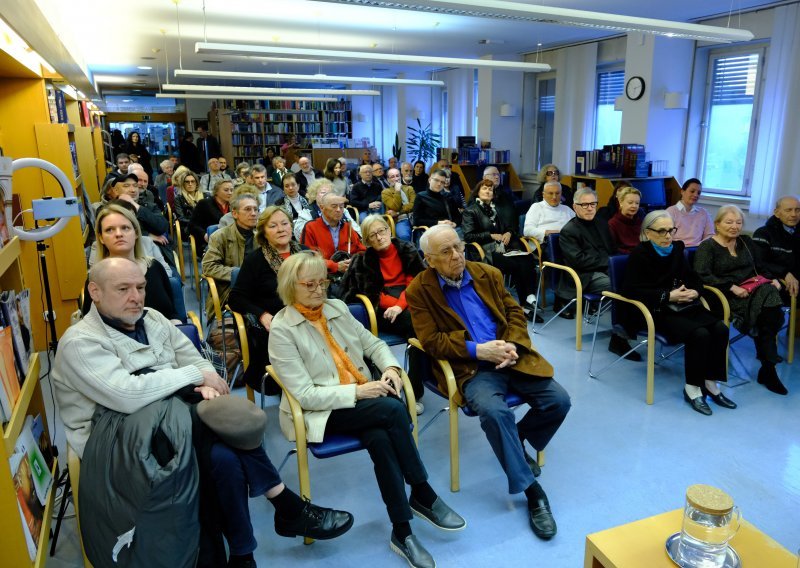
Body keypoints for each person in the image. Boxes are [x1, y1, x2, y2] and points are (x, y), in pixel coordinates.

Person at [55, 258, 354, 568]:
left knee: (223, 458)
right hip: (115, 448)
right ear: (95, 291)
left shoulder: (153, 319)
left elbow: (197, 361)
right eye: (123, 289)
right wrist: (192, 380)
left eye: (141, 287)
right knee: (211, 425)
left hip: (170, 429)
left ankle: (243, 555)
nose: (136, 296)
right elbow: (128, 395)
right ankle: (285, 506)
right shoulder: (80, 342)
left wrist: (201, 379)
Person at [269, 251, 465, 568]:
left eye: (324, 282)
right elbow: (305, 395)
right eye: (310, 284)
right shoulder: (282, 329)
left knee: (381, 436)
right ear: (291, 287)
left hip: (363, 403)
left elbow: (373, 344)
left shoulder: (336, 308)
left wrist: (390, 369)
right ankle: (422, 491)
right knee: (390, 410)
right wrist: (359, 391)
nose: (320, 290)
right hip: (320, 412)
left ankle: (402, 531)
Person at [405, 225, 570, 541]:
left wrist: (512, 346)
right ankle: (533, 493)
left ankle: (516, 441)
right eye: (446, 252)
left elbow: (515, 314)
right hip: (471, 368)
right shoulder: (419, 291)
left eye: (459, 246)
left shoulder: (487, 274)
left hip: (510, 356)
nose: (457, 256)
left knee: (559, 401)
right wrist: (478, 349)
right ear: (429, 260)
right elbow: (431, 341)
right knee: (495, 413)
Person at [622, 211, 733, 415]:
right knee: (700, 335)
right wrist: (667, 296)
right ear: (648, 232)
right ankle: (691, 388)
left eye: (671, 230)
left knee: (721, 328)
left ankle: (710, 382)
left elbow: (693, 278)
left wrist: (695, 290)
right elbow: (632, 291)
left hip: (684, 306)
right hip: (656, 311)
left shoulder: (676, 250)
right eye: (661, 231)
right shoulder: (639, 255)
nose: (668, 236)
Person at [694, 205, 788, 395]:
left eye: (738, 222)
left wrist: (773, 279)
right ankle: (768, 368)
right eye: (729, 222)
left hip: (753, 291)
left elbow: (760, 267)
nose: (734, 226)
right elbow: (701, 275)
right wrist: (730, 286)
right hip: (724, 296)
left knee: (769, 295)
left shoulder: (745, 242)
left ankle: (768, 367)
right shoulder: (707, 246)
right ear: (717, 224)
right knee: (770, 311)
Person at [229, 206, 304, 392]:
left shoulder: (306, 254)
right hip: (277, 326)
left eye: (285, 223)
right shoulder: (255, 260)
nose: (281, 229)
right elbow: (236, 297)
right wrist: (262, 315)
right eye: (273, 226)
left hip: (308, 318)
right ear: (263, 232)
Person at [558, 188, 639, 359]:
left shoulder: (602, 223)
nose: (589, 208)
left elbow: (612, 249)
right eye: (584, 204)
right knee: (623, 289)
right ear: (574, 206)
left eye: (593, 204)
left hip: (605, 269)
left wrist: (614, 263)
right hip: (584, 276)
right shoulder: (569, 230)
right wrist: (609, 263)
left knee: (637, 283)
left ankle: (630, 330)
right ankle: (618, 340)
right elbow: (580, 261)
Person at [84, 203, 179, 321]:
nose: (118, 234)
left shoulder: (154, 267)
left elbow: (172, 313)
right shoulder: (95, 277)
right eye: (109, 230)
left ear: (136, 233)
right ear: (101, 238)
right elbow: (90, 324)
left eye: (125, 228)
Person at [463, 179, 542, 322]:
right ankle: (524, 305)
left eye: (490, 190)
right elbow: (468, 236)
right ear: (477, 192)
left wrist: (508, 233)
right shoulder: (470, 210)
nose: (488, 192)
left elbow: (508, 226)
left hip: (501, 248)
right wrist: (490, 235)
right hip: (483, 251)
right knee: (516, 265)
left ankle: (528, 299)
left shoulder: (496, 209)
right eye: (484, 189)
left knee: (527, 258)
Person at [340, 215, 424, 343]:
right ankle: (421, 358)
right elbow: (373, 294)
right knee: (415, 320)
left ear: (389, 230)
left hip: (410, 297)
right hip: (383, 308)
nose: (379, 238)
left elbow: (415, 284)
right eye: (373, 235)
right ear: (367, 241)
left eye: (381, 231)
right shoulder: (364, 260)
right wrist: (397, 307)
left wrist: (400, 306)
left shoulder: (407, 250)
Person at [201, 194, 259, 319]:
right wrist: (238, 274)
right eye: (248, 209)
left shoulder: (262, 237)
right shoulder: (220, 236)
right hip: (229, 291)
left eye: (256, 209)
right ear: (235, 214)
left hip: (259, 290)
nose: (254, 213)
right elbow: (208, 266)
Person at [300, 193, 366, 275]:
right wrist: (335, 266)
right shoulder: (310, 228)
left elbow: (361, 251)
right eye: (334, 206)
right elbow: (307, 259)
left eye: (341, 207)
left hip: (348, 275)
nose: (338, 210)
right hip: (321, 276)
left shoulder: (348, 227)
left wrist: (353, 261)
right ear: (321, 207)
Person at [752, 195, 800, 300]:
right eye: (788, 210)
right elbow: (760, 262)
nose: (794, 214)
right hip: (776, 280)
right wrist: (785, 273)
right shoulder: (763, 233)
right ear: (777, 212)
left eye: (797, 210)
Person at [412, 169, 462, 238]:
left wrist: (454, 224)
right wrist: (438, 223)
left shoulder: (448, 196)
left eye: (442, 182)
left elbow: (458, 217)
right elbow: (417, 221)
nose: (439, 184)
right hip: (431, 230)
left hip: (451, 229)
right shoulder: (421, 196)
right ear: (429, 180)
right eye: (436, 180)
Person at [523, 181, 575, 246]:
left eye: (557, 193)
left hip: (567, 243)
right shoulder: (536, 207)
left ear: (561, 194)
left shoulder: (567, 209)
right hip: (544, 245)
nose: (554, 197)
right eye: (550, 193)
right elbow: (527, 231)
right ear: (543, 195)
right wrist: (549, 232)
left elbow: (578, 227)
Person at [666, 178, 714, 246]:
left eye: (698, 193)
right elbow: (665, 236)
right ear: (682, 192)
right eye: (692, 191)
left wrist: (700, 246)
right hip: (677, 250)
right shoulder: (670, 212)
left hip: (698, 249)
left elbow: (710, 235)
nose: (695, 195)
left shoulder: (703, 213)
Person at [190, 179, 235, 248]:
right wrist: (204, 235)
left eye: (231, 190)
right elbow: (193, 225)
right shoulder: (204, 203)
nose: (230, 193)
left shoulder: (234, 205)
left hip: (231, 240)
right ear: (216, 191)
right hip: (208, 241)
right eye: (226, 190)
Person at [381, 167, 415, 241]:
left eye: (397, 176)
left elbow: (413, 206)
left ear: (401, 176)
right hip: (400, 220)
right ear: (388, 180)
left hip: (414, 218)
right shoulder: (386, 192)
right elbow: (395, 206)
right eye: (392, 177)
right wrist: (397, 191)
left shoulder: (409, 188)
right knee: (404, 236)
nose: (396, 179)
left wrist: (398, 212)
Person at [607, 186, 643, 254]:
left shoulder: (640, 222)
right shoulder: (612, 224)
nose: (634, 206)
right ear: (621, 203)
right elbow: (613, 249)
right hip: (625, 258)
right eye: (630, 202)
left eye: (637, 203)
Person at [174, 171, 202, 239]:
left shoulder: (205, 196)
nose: (190, 184)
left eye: (193, 181)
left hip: (205, 224)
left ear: (197, 183)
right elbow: (181, 218)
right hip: (189, 226)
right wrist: (196, 222)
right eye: (187, 182)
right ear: (183, 184)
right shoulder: (179, 198)